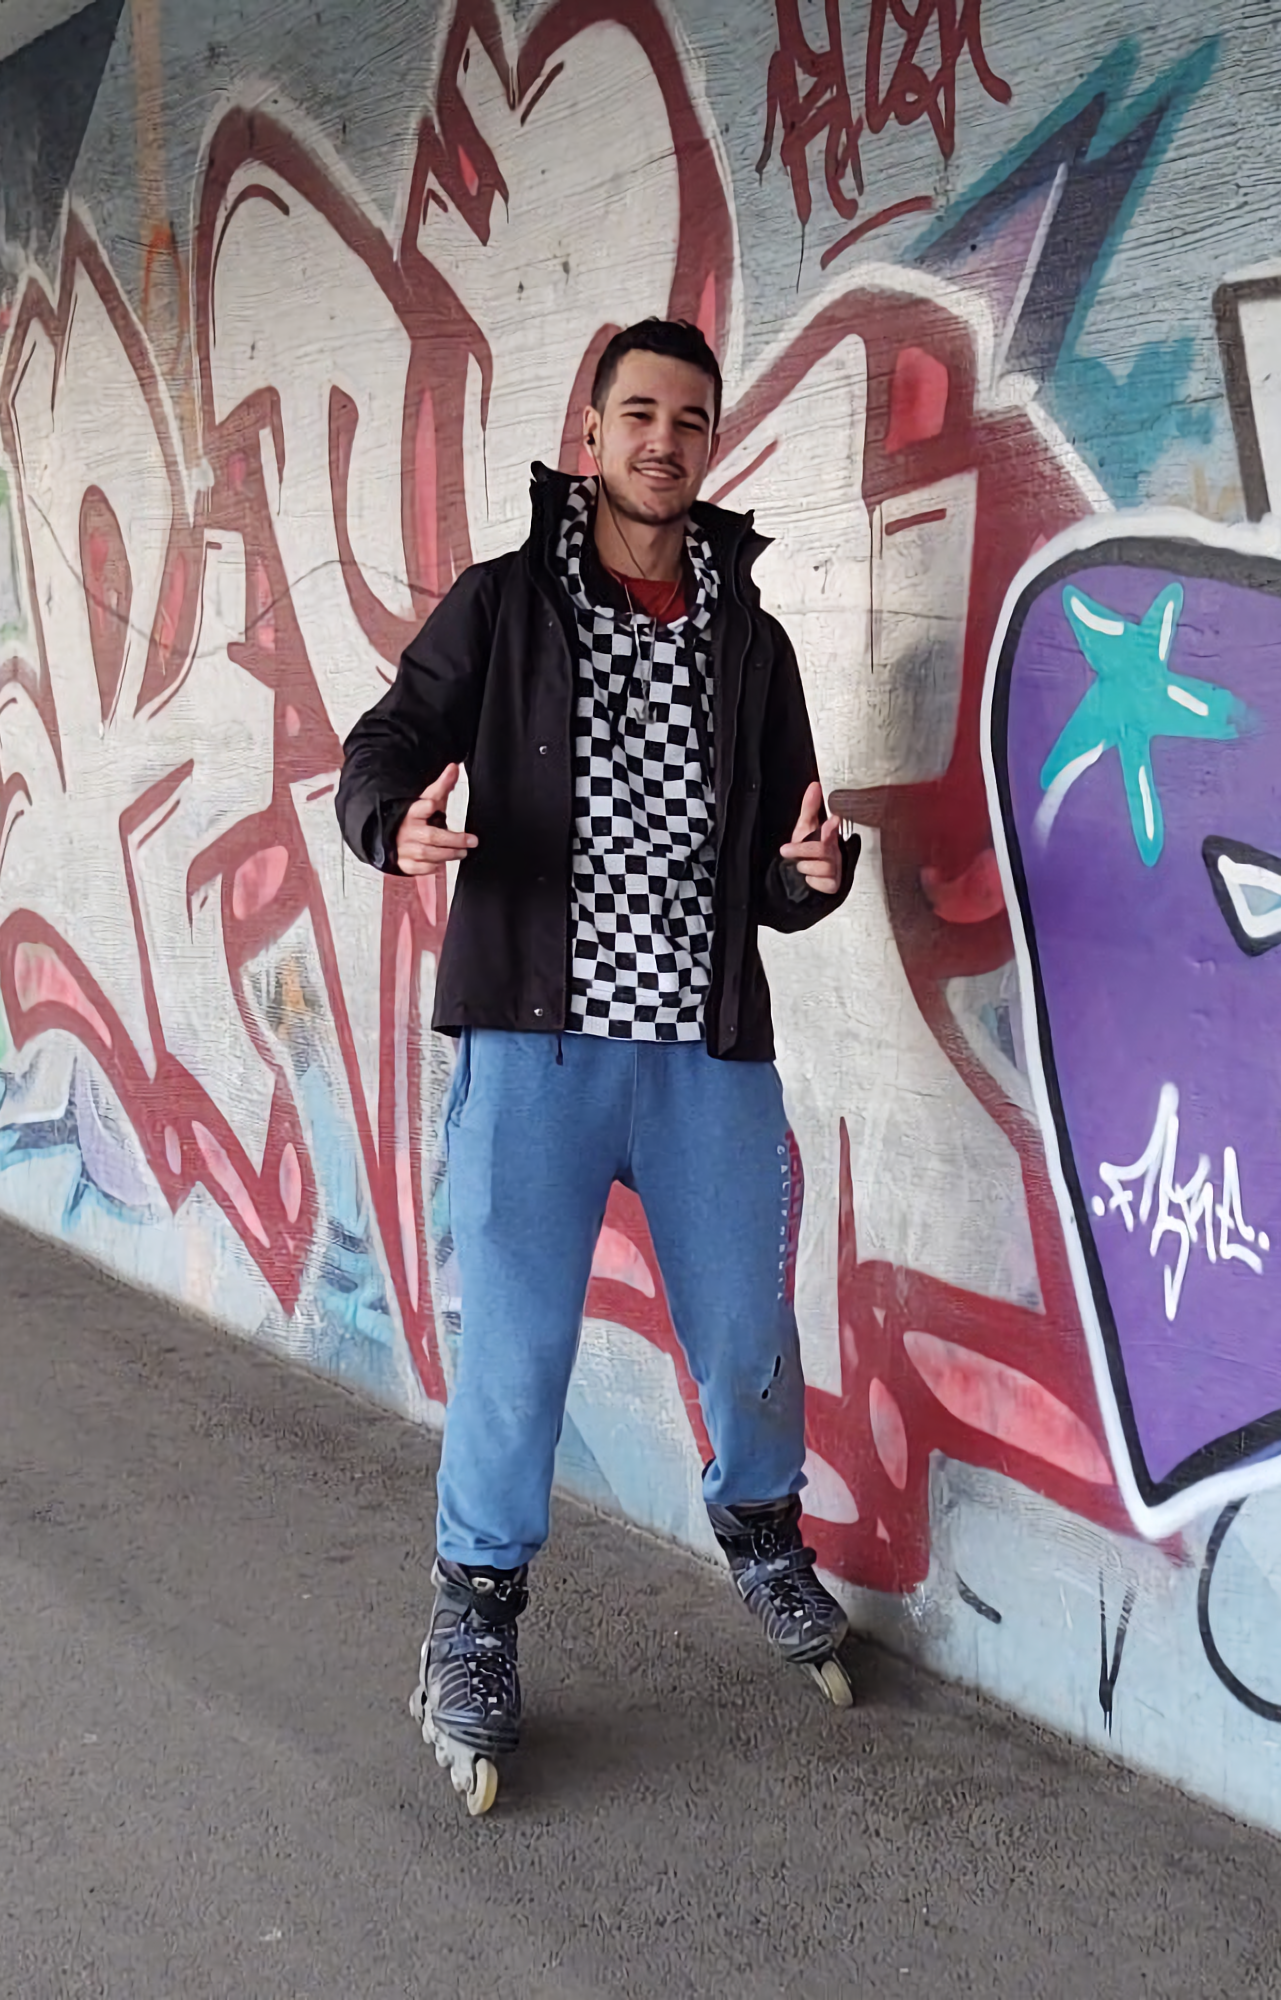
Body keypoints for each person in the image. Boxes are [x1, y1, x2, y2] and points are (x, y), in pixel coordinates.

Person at [335, 316, 860, 1802]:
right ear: (589, 434)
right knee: (515, 1351)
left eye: (690, 421)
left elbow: (780, 861)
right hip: (535, 1042)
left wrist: (816, 872)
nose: (663, 442)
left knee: (750, 1335)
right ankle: (475, 1620)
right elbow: (379, 749)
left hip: (702, 1049)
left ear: (709, 446)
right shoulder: (504, 610)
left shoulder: (749, 641)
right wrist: (400, 826)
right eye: (639, 414)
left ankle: (763, 1538)